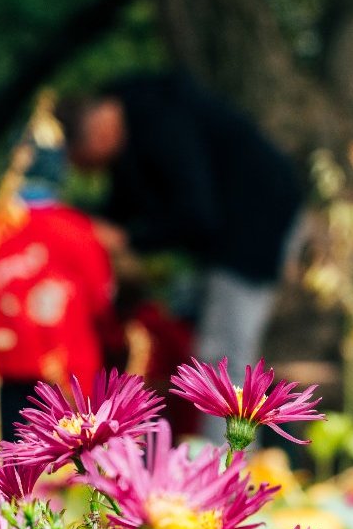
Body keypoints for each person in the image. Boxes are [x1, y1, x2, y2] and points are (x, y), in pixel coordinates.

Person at [55, 73, 303, 439]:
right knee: (201, 350)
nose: (86, 172)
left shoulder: (160, 123)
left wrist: (128, 238)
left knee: (224, 356)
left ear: (98, 131)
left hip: (255, 225)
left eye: (84, 162)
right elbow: (124, 205)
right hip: (223, 235)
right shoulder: (132, 128)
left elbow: (195, 214)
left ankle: (229, 472)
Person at [0, 141, 119, 432]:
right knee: (72, 471)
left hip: (1, 377)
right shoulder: (79, 230)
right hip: (69, 377)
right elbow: (101, 302)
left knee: (4, 465)